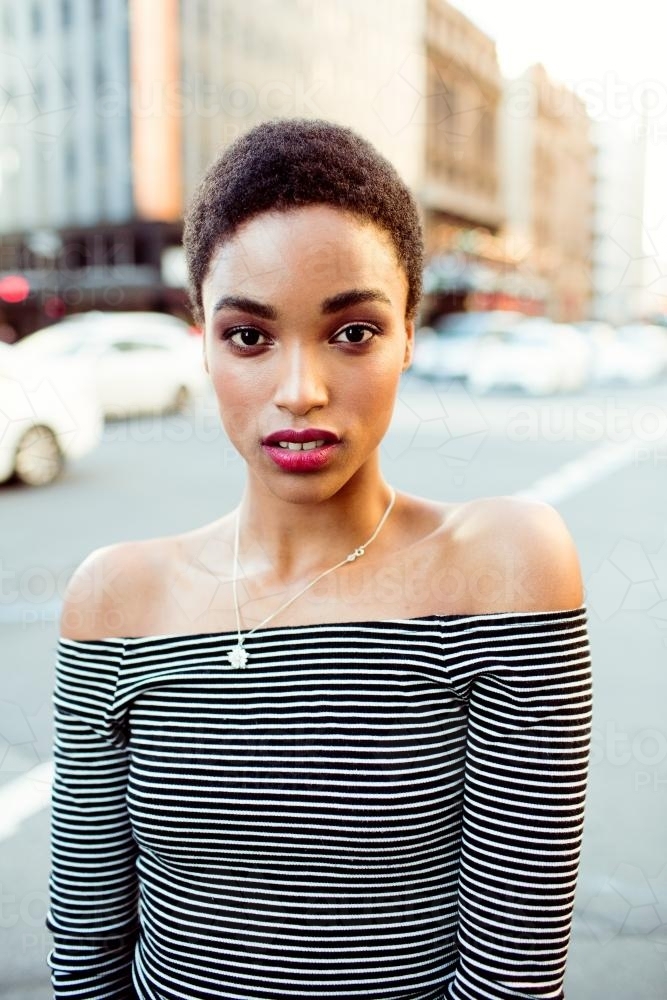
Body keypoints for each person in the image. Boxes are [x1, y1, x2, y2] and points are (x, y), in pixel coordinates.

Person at [47, 119, 593, 1000]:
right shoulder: (113, 597)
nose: (299, 392)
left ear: (408, 332)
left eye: (351, 332)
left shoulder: (504, 566)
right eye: (249, 338)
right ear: (203, 341)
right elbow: (87, 963)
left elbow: (512, 978)